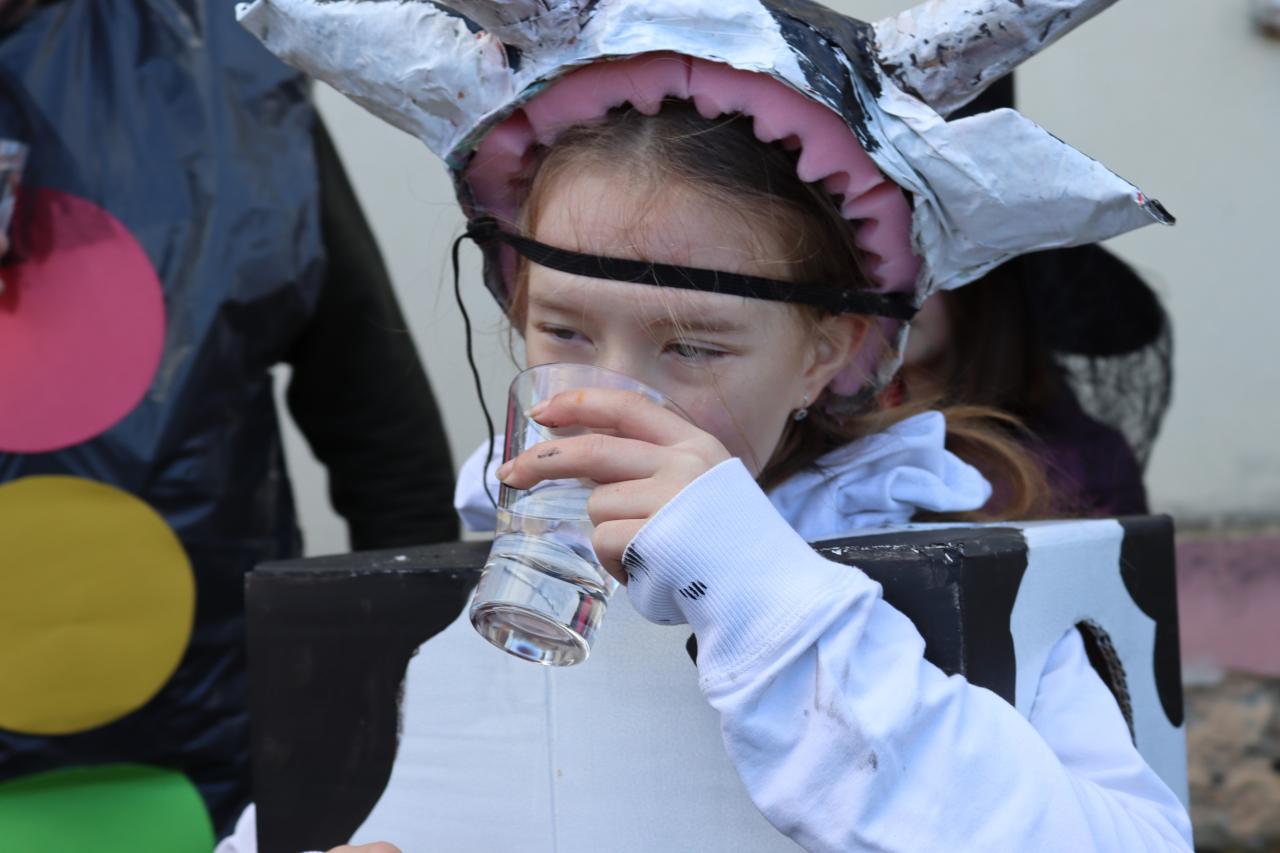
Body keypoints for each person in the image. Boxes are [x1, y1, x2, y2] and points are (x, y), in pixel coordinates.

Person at [230, 0, 1191, 849]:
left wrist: (751, 585)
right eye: (564, 330)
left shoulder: (960, 570)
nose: (615, 396)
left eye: (692, 346)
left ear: (826, 352)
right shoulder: (468, 604)